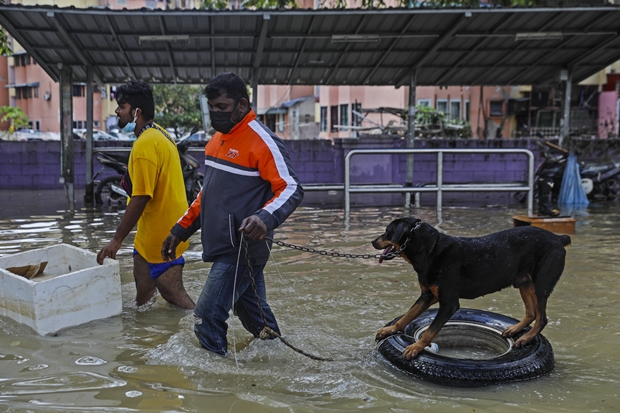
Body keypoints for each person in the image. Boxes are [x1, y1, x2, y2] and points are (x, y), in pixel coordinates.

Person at [161, 72, 303, 356]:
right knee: (255, 317)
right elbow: (208, 194)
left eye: (222, 107)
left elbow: (291, 188)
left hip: (242, 247)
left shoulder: (263, 140)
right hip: (222, 243)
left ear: (241, 104)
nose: (215, 113)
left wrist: (264, 217)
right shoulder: (216, 141)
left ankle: (218, 383)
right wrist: (180, 229)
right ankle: (278, 361)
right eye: (211, 107)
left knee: (206, 317)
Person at [97, 80, 195, 310]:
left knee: (176, 297)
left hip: (163, 239)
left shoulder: (145, 145)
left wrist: (116, 239)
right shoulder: (161, 133)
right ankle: (142, 336)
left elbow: (141, 198)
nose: (117, 111)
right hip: (149, 237)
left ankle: (205, 331)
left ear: (136, 112)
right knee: (143, 300)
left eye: (122, 106)